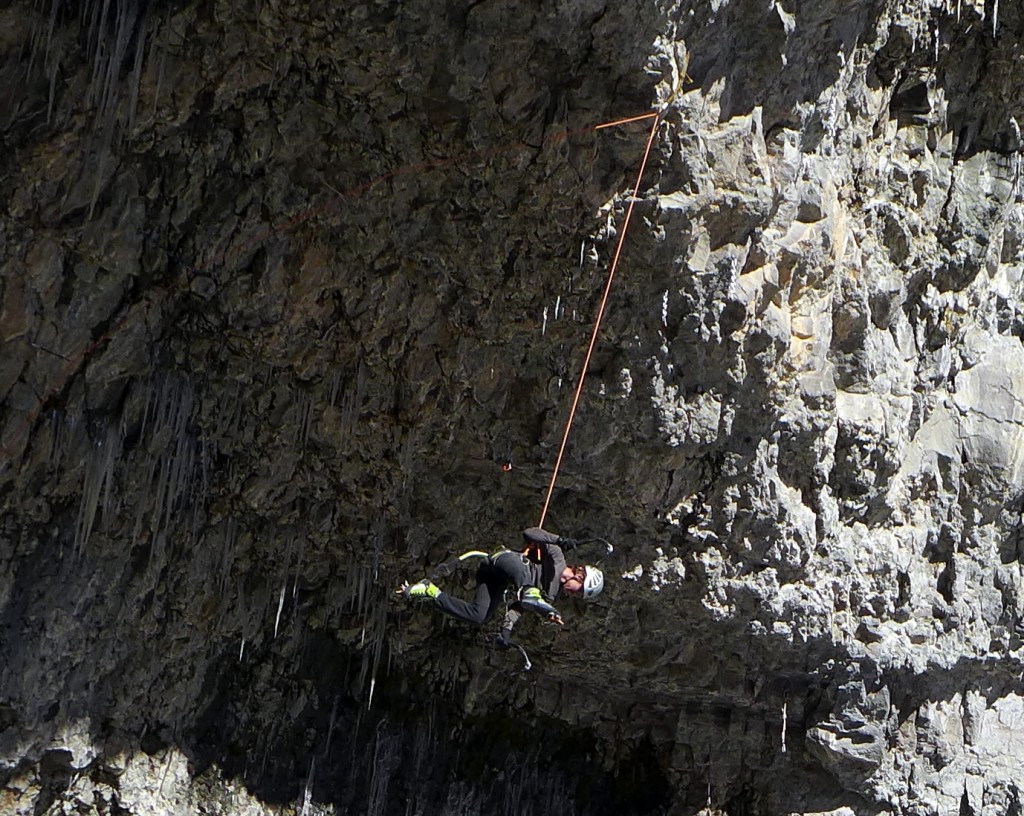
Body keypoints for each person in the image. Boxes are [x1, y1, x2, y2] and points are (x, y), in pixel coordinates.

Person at [400, 526, 604, 644]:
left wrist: (506, 631)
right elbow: (530, 533)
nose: (575, 595)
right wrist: (559, 540)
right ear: (580, 576)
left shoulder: (550, 595)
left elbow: (518, 608)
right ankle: (528, 590)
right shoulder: (558, 557)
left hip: (495, 578)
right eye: (580, 591)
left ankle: (431, 592)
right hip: (505, 561)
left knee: (479, 616)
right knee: (526, 580)